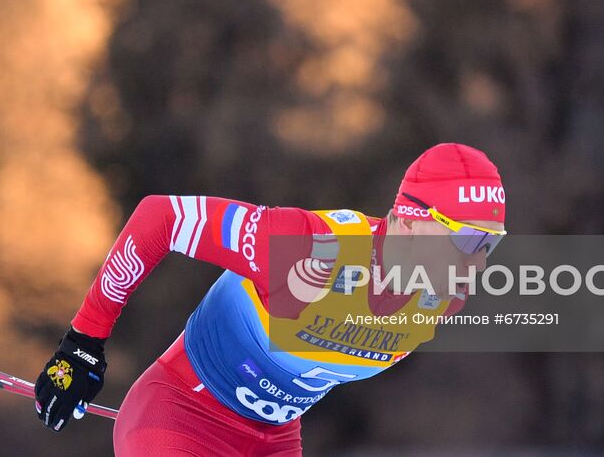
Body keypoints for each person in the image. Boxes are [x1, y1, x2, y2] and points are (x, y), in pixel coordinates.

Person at [34, 142, 506, 456]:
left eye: (489, 244)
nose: (477, 264)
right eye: (467, 240)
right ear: (410, 219)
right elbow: (162, 217)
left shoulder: (441, 301)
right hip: (179, 417)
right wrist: (82, 344)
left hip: (272, 444)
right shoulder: (309, 245)